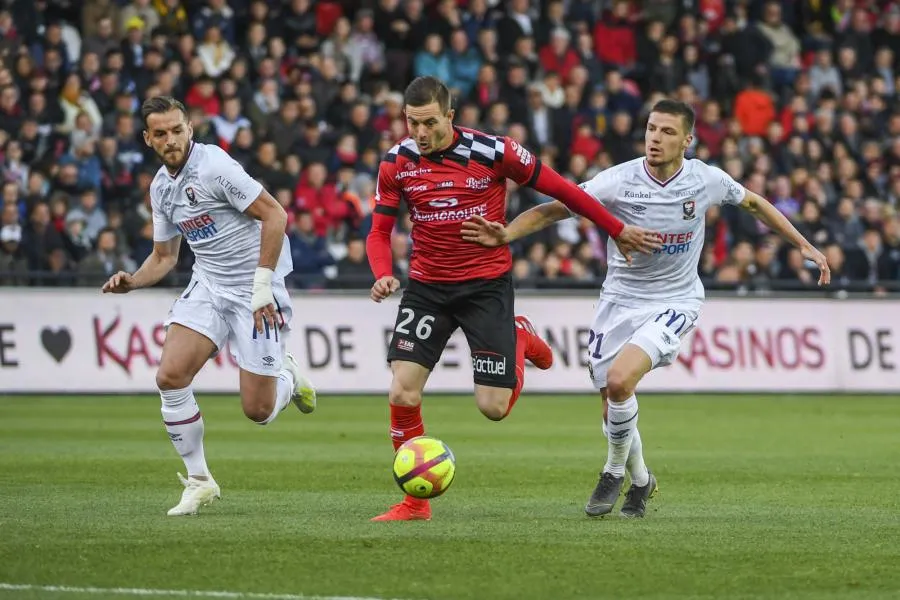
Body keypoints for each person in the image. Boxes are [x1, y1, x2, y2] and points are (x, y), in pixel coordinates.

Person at [462, 99, 831, 518]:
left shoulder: (705, 180)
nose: (655, 138)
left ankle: (611, 472)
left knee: (621, 381)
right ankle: (641, 481)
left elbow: (754, 203)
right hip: (619, 301)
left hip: (675, 300)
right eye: (652, 129)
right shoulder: (618, 181)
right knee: (612, 403)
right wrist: (506, 234)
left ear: (687, 140)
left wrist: (803, 244)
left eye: (667, 131)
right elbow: (555, 209)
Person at [365, 76, 661, 522]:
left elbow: (565, 191)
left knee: (493, 408)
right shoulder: (397, 162)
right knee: (402, 392)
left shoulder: (494, 151)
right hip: (427, 288)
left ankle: (519, 335)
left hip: (485, 287)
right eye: (412, 123)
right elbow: (379, 231)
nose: (420, 133)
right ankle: (415, 503)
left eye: (429, 123)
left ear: (450, 116)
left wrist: (616, 229)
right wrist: (383, 273)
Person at [101, 96, 317, 516]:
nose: (170, 139)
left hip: (254, 289)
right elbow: (165, 256)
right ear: (147, 139)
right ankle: (200, 481)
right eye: (160, 133)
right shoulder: (161, 188)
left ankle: (288, 376)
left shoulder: (214, 167)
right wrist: (134, 280)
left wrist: (262, 286)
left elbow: (276, 216)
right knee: (170, 376)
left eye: (176, 130)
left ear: (190, 129)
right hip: (209, 285)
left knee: (258, 411)